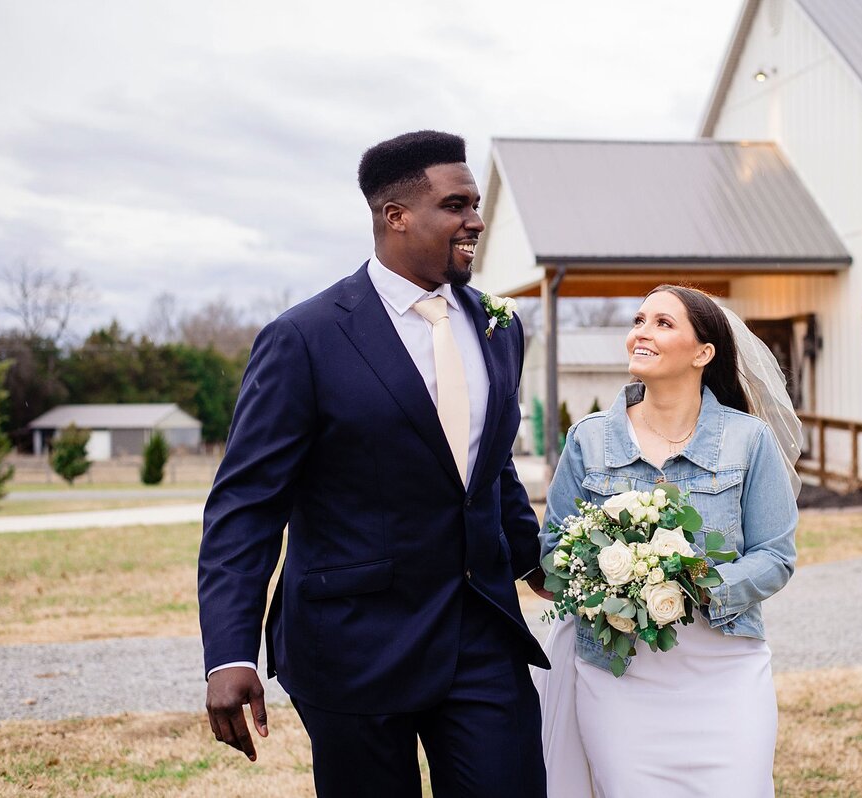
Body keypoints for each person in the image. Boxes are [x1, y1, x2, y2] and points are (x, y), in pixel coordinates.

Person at [198, 130, 549, 798]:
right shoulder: (305, 338)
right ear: (397, 216)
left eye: (476, 203)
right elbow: (246, 506)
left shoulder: (499, 329)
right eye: (457, 204)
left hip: (482, 638)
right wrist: (230, 651)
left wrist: (537, 564)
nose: (476, 219)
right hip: (353, 646)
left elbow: (485, 466)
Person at [535, 285, 802, 797]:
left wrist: (697, 585)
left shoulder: (749, 441)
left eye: (663, 323)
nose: (641, 332)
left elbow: (776, 556)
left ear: (704, 353)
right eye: (639, 320)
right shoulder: (588, 440)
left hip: (725, 671)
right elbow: (554, 551)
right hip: (619, 678)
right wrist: (610, 576)